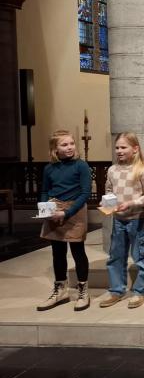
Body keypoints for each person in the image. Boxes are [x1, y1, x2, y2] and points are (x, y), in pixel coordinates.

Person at [36, 130, 92, 312]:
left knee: (77, 250)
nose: (69, 147)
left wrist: (66, 213)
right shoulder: (49, 168)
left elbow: (85, 193)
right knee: (57, 251)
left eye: (71, 143)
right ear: (55, 149)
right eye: (64, 144)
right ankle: (60, 290)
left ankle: (83, 290)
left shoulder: (81, 166)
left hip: (74, 208)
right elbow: (45, 190)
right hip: (54, 208)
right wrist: (46, 207)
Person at [98, 132, 144, 309]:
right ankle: (116, 289)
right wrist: (106, 202)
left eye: (123, 147)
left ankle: (140, 291)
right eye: (117, 148)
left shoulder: (143, 169)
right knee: (116, 256)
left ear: (135, 148)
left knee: (140, 256)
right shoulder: (113, 170)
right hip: (118, 220)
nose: (119, 151)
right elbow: (108, 191)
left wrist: (132, 203)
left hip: (137, 220)